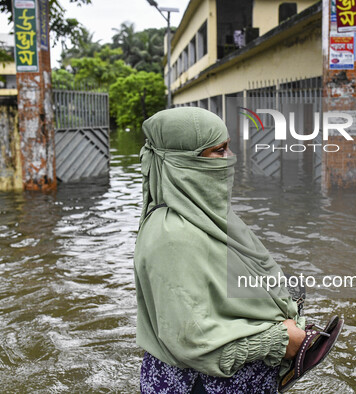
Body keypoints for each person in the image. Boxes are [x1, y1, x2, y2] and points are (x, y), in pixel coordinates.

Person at [134, 107, 339, 393]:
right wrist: (280, 341)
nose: (230, 159)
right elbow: (191, 344)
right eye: (219, 151)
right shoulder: (172, 236)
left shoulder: (205, 215)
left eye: (228, 148)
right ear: (184, 163)